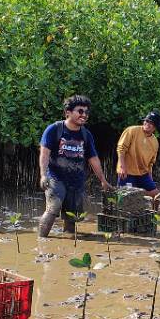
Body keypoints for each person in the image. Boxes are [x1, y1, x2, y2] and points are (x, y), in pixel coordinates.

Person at [38, 95, 111, 237]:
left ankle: (69, 239)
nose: (84, 115)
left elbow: (93, 159)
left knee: (72, 216)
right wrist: (43, 175)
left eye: (86, 112)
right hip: (55, 177)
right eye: (80, 111)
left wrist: (103, 180)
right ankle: (41, 241)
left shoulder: (86, 135)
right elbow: (44, 154)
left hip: (76, 180)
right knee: (53, 208)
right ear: (68, 113)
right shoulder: (54, 129)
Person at [115, 111, 160, 209]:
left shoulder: (155, 142)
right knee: (125, 200)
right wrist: (122, 167)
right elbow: (121, 149)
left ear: (155, 127)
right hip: (127, 172)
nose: (148, 124)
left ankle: (154, 214)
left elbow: (150, 163)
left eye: (151, 123)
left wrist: (150, 178)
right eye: (147, 121)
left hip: (143, 174)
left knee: (157, 195)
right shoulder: (132, 130)